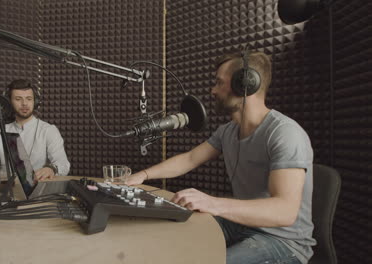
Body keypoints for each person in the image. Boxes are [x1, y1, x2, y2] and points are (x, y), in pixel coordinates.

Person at [126, 51, 316, 264]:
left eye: (218, 82)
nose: (212, 90)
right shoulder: (228, 131)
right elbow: (189, 159)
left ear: (244, 85)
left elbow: (285, 212)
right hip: (242, 224)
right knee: (174, 236)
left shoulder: (284, 133)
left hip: (283, 241)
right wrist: (142, 175)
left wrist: (213, 204)